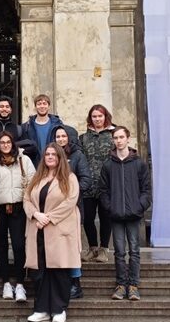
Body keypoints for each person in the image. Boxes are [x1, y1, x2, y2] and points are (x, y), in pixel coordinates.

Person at [24, 143, 81, 322]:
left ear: (60, 158)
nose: (50, 157)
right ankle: (41, 309)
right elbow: (26, 199)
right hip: (38, 230)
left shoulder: (69, 178)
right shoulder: (37, 178)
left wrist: (47, 217)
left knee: (59, 271)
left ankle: (59, 310)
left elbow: (70, 202)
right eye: (47, 154)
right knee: (40, 272)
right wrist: (35, 214)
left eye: (53, 155)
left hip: (58, 230)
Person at [99, 126, 152, 302]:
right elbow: (103, 190)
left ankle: (133, 286)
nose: (119, 140)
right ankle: (121, 285)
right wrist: (110, 207)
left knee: (134, 251)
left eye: (122, 137)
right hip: (116, 216)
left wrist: (139, 206)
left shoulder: (139, 163)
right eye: (116, 138)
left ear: (128, 139)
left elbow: (146, 189)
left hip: (133, 215)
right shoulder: (108, 165)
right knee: (119, 252)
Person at [0, 131, 35, 303]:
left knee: (19, 245)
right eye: (2, 142)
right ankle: (6, 282)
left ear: (13, 144)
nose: (5, 145)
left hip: (18, 208)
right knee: (1, 246)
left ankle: (20, 283)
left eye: (8, 142)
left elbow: (32, 182)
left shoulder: (23, 159)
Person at [50, 125, 92, 299]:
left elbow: (86, 180)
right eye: (57, 136)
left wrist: (70, 193)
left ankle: (76, 284)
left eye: (63, 136)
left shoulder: (77, 155)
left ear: (69, 138)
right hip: (54, 210)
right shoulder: (51, 155)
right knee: (59, 249)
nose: (60, 139)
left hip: (72, 209)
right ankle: (62, 283)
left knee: (72, 248)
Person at [79, 104, 116, 263]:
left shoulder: (114, 135)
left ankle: (104, 249)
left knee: (105, 217)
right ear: (90, 118)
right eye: (94, 116)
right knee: (87, 218)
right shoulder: (83, 138)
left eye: (100, 116)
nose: (97, 119)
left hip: (107, 185)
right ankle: (92, 247)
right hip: (88, 185)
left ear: (105, 117)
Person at [23, 94, 64, 166]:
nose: (42, 106)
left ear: (49, 106)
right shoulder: (27, 126)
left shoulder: (57, 124)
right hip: (34, 165)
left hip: (54, 164)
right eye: (39, 104)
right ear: (35, 107)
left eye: (45, 103)